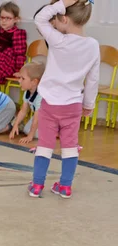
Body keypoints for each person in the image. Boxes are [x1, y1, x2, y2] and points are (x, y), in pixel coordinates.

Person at [28, 0, 99, 199]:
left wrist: (64, 2)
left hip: (50, 104)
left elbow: (39, 17)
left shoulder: (58, 40)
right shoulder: (93, 45)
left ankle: (37, 185)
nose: (53, 25)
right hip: (73, 106)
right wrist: (89, 104)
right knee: (70, 146)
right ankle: (65, 186)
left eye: (56, 21)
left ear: (64, 18)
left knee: (45, 145)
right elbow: (93, 79)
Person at [9, 62, 45, 145]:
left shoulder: (41, 95)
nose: (19, 81)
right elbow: (23, 111)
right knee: (26, 130)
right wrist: (15, 125)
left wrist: (30, 137)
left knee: (34, 133)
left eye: (23, 78)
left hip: (51, 118)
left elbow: (37, 119)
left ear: (34, 82)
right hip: (41, 118)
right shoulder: (27, 92)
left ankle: (57, 130)